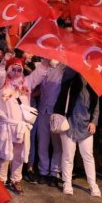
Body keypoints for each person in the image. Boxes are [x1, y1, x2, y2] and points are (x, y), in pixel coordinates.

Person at [0, 57, 41, 194]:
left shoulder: (26, 84)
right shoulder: (1, 84)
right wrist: (2, 63)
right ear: (8, 69)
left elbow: (39, 74)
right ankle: (0, 180)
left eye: (19, 69)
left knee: (19, 155)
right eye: (14, 68)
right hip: (6, 126)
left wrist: (48, 61)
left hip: (21, 127)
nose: (17, 72)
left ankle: (15, 179)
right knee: (4, 155)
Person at [54, 71, 101, 197]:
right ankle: (67, 183)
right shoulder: (70, 81)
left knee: (88, 157)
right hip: (69, 124)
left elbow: (96, 106)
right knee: (68, 156)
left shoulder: (94, 85)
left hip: (85, 127)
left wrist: (93, 122)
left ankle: (93, 185)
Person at [35, 58, 65, 186]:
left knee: (57, 144)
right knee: (42, 143)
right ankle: (43, 171)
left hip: (56, 113)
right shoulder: (41, 67)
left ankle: (54, 172)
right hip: (42, 110)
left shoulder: (63, 69)